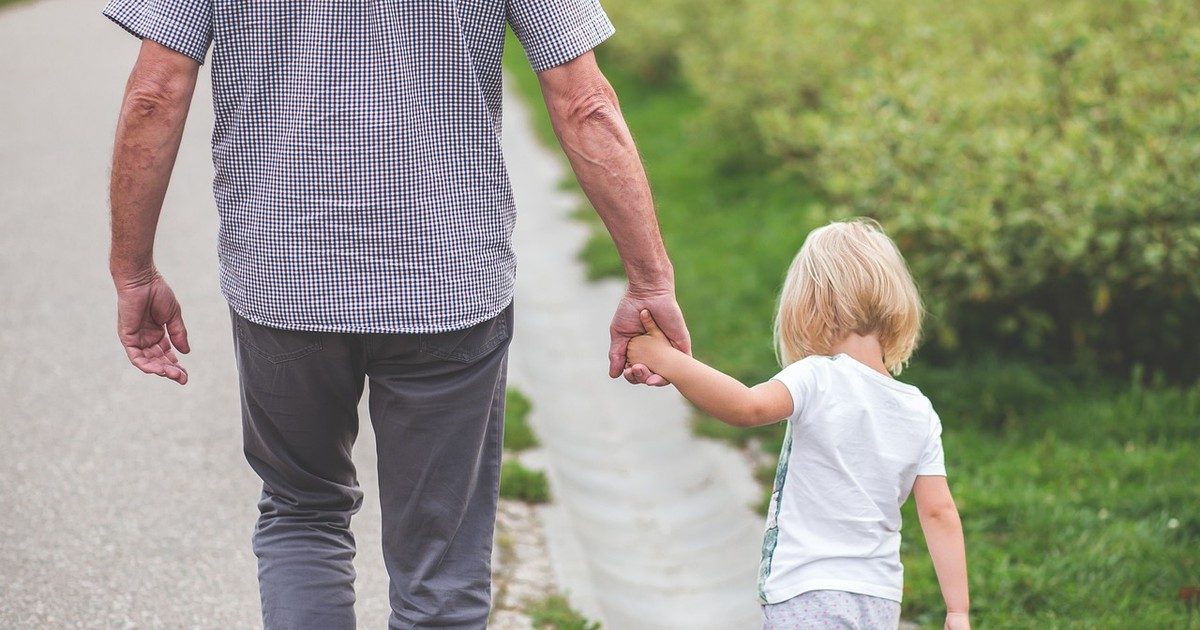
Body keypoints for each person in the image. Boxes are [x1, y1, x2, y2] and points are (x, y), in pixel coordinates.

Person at [102, 0, 689, 627]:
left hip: (282, 278)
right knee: (442, 568)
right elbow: (585, 103)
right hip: (449, 281)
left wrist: (133, 269)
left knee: (303, 511)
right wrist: (649, 278)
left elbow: (154, 96)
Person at [627, 219, 971, 630]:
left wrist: (669, 361)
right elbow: (939, 512)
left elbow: (746, 407)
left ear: (811, 305)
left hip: (808, 591)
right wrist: (957, 610)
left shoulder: (817, 376)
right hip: (878, 598)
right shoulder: (918, 409)